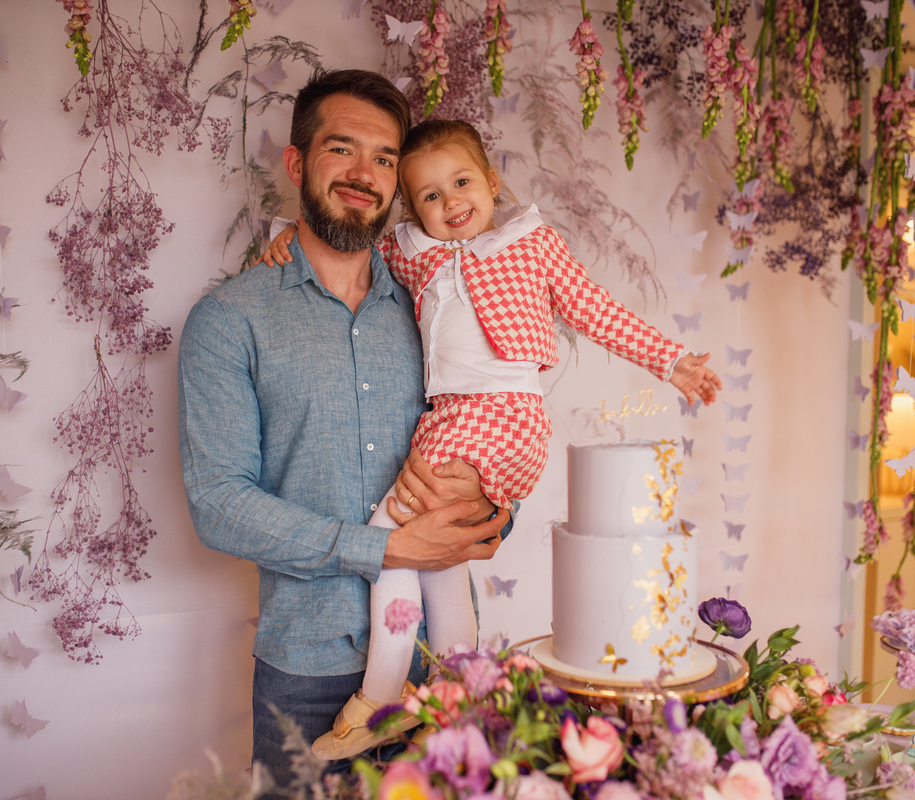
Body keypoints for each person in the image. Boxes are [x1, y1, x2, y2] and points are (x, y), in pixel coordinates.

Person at [259, 118, 722, 760]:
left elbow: (596, 311)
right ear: (411, 207)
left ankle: (381, 701)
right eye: (427, 195)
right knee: (438, 560)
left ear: (491, 181)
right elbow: (346, 249)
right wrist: (287, 237)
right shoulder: (412, 251)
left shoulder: (530, 243)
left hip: (501, 413)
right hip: (455, 420)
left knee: (387, 545)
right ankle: (460, 701)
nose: (449, 203)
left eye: (461, 182)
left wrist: (674, 363)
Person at [177, 72, 512, 786]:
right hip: (308, 673)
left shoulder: (437, 304)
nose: (365, 174)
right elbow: (218, 501)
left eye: (386, 158)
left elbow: (496, 416)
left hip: (442, 667)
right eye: (342, 149)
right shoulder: (230, 320)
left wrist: (495, 509)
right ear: (298, 164)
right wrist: (385, 547)